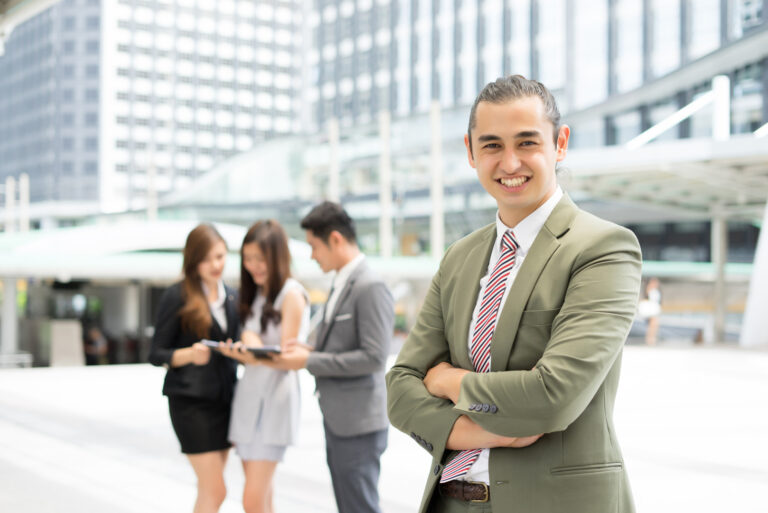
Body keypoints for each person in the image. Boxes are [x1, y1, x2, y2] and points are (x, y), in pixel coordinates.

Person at [386, 75, 642, 513]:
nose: (509, 163)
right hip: (451, 502)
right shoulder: (459, 258)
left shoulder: (602, 248)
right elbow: (400, 388)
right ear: (470, 152)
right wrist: (472, 433)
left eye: (526, 143)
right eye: (491, 146)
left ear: (559, 144)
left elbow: (553, 395)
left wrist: (452, 381)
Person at [270, 201, 395, 513]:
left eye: (314, 246)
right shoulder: (342, 281)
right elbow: (343, 346)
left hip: (359, 424)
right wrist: (309, 351)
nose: (312, 256)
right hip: (341, 420)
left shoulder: (370, 286)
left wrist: (308, 361)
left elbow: (374, 358)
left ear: (336, 239)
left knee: (360, 507)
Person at [218, 220, 310, 513]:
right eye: (248, 259)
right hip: (250, 397)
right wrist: (247, 341)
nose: (253, 266)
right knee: (262, 497)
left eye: (260, 259)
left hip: (274, 402)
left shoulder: (291, 294)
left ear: (277, 256)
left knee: (252, 499)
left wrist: (250, 354)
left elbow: (289, 357)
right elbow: (251, 333)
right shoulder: (258, 292)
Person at [149, 224, 239, 513]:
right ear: (193, 260)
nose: (215, 265)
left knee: (209, 490)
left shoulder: (233, 297)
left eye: (220, 256)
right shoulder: (178, 296)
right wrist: (189, 354)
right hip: (191, 404)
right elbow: (155, 353)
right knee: (216, 490)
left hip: (225, 400)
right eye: (207, 258)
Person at [639, 277, 662, 345]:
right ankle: (650, 339)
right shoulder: (649, 289)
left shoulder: (656, 290)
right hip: (651, 310)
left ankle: (652, 338)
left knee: (654, 324)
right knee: (653, 324)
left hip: (654, 309)